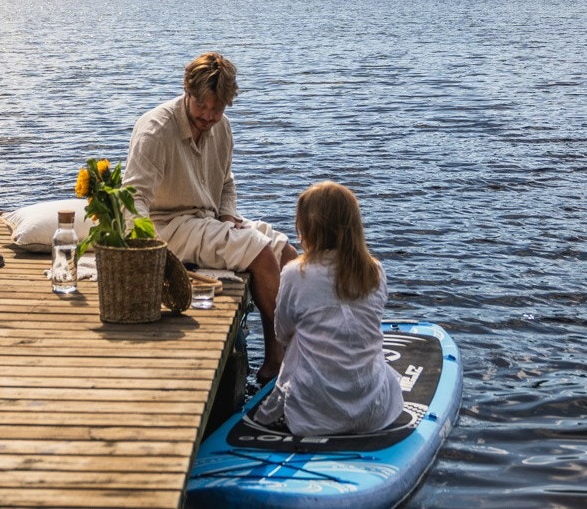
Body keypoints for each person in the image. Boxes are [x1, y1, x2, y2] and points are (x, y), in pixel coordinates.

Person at [125, 52, 298, 381]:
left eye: (216, 109)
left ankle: (310, 345)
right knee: (261, 255)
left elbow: (226, 183)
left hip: (207, 218)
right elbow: (134, 198)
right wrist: (142, 251)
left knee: (287, 252)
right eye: (201, 106)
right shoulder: (155, 130)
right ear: (186, 91)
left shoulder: (222, 128)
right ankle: (277, 364)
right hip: (167, 224)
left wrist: (227, 214)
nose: (208, 115)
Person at [256, 181, 403, 437]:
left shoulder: (294, 274)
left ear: (308, 228)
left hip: (314, 414)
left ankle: (305, 406)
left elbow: (281, 333)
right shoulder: (375, 271)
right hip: (374, 410)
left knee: (299, 337)